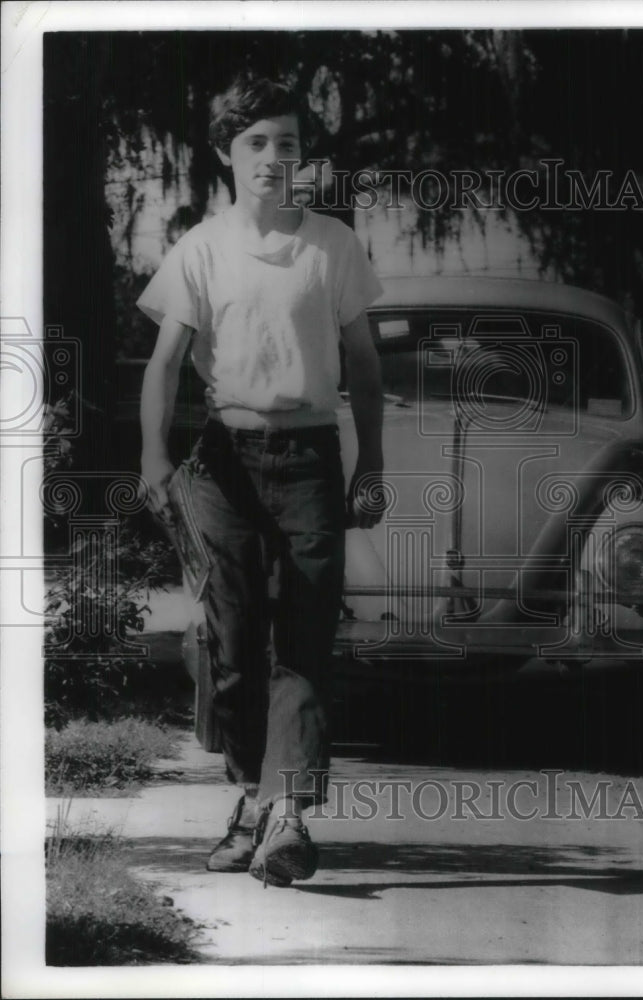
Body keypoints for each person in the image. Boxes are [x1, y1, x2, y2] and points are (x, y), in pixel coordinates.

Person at [137, 74, 384, 887]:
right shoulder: (200, 250)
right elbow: (166, 364)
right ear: (225, 156)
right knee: (234, 644)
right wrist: (154, 461)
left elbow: (364, 364)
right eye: (256, 144)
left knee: (305, 638)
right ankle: (250, 793)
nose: (274, 159)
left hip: (310, 457)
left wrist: (370, 462)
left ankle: (288, 815)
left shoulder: (335, 247)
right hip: (222, 465)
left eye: (288, 144)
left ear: (303, 158)